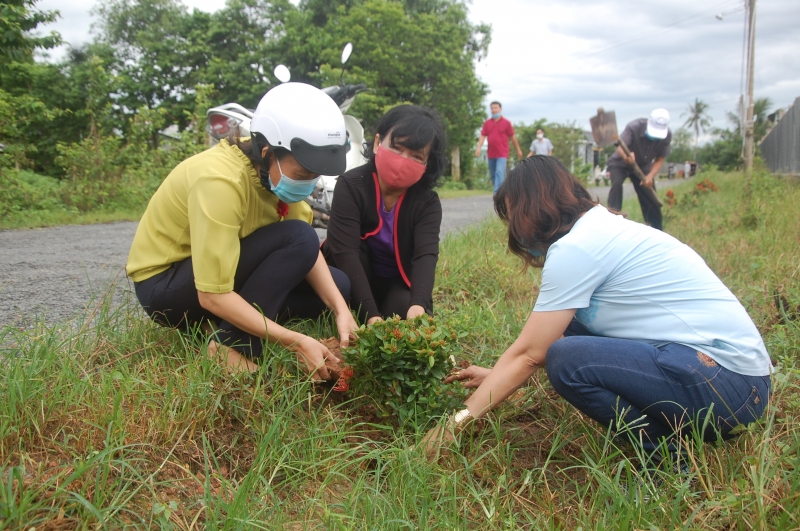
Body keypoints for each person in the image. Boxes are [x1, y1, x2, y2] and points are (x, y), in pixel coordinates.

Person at [427, 156, 771, 467]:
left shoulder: (577, 248)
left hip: (725, 389)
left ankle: (667, 462)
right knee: (567, 330)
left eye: (513, 214)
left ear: (532, 207)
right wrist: (497, 373)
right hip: (737, 386)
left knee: (566, 358)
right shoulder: (601, 226)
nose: (514, 230)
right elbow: (540, 339)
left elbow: (532, 354)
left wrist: (456, 422)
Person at [127, 82, 358, 379]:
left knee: (337, 285)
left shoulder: (275, 178)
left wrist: (342, 310)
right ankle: (231, 346)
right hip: (167, 287)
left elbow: (306, 256)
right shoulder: (220, 180)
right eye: (303, 174)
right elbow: (212, 295)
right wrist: (296, 341)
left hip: (225, 272)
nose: (308, 183)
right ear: (267, 152)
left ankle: (220, 324)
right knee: (300, 237)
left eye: (315, 176)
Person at [322, 105, 447, 325]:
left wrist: (419, 304)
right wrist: (371, 315)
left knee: (404, 309)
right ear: (378, 143)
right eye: (397, 148)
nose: (403, 160)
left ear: (427, 165)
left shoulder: (427, 202)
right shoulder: (351, 185)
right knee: (346, 281)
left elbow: (425, 256)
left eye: (416, 156)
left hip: (395, 282)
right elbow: (345, 252)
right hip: (354, 277)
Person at [607, 108, 672, 231]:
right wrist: (627, 156)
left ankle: (656, 230)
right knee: (616, 185)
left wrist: (650, 176)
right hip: (620, 163)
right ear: (648, 122)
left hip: (642, 167)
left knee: (649, 193)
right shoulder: (634, 127)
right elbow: (620, 148)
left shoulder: (667, 135)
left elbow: (660, 159)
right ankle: (613, 223)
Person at [474, 101, 524, 193]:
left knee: (499, 172)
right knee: (493, 174)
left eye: (495, 108)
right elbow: (482, 136)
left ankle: (497, 193)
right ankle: (500, 191)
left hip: (502, 152)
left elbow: (512, 137)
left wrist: (518, 149)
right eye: (492, 108)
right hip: (491, 153)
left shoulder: (506, 123)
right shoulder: (487, 123)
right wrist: (478, 148)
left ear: (500, 109)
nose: (493, 110)